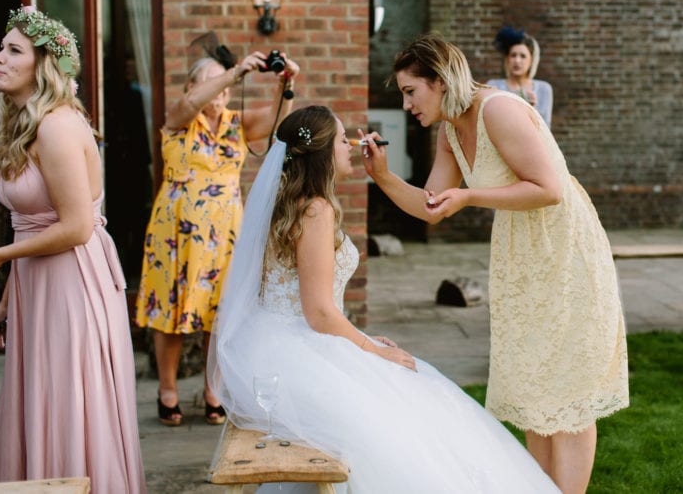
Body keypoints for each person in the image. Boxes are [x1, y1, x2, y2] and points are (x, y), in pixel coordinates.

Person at [210, 105, 560, 493]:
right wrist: (371, 350)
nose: (352, 145)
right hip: (296, 352)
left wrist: (364, 343)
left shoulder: (290, 205)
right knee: (403, 414)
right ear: (324, 152)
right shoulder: (315, 210)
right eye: (343, 140)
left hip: (281, 343)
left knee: (411, 401)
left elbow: (308, 307)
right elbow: (319, 313)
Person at [362, 34, 628, 493]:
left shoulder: (499, 110)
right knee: (532, 385)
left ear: (441, 80)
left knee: (566, 388)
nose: (406, 105)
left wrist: (470, 195)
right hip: (520, 253)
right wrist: (383, 177)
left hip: (563, 250)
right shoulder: (449, 130)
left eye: (410, 91)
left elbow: (549, 188)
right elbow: (432, 206)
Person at [0, 6, 146, 491]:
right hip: (37, 281)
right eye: (3, 47)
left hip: (71, 282)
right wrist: (5, 300)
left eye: (13, 50)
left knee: (67, 401)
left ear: (42, 67)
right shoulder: (22, 124)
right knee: (41, 396)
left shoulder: (57, 126)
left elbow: (79, 226)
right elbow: (33, 224)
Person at [134, 42, 300, 426]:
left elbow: (277, 123)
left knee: (222, 314)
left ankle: (214, 389)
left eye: (225, 85)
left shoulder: (236, 123)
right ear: (192, 86)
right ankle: (167, 389)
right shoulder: (178, 119)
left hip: (225, 233)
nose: (222, 90)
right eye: (213, 82)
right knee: (170, 314)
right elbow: (192, 103)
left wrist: (284, 85)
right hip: (174, 234)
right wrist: (236, 70)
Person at [486, 26, 554, 127]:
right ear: (507, 59)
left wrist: (533, 111)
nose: (517, 61)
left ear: (531, 61)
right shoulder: (493, 86)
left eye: (523, 56)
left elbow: (546, 131)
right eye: (513, 55)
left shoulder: (544, 89)